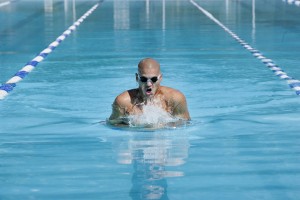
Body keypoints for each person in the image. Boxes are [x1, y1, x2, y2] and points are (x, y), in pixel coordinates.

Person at [108, 58, 190, 126]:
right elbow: (113, 124)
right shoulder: (123, 102)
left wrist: (163, 126)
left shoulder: (175, 99)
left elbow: (186, 123)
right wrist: (138, 127)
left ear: (160, 78)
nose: (148, 84)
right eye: (143, 79)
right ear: (137, 78)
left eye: (153, 79)